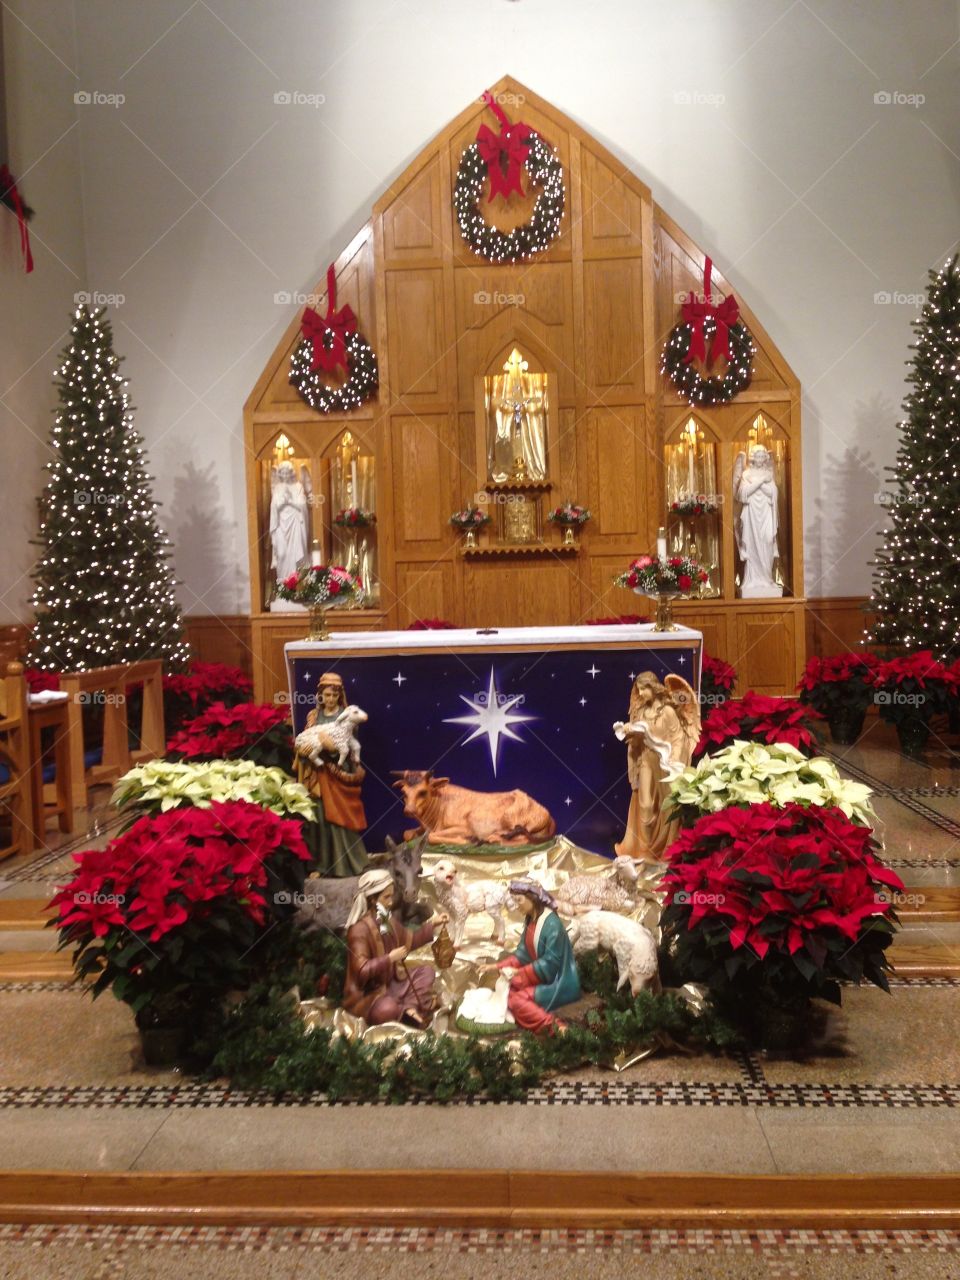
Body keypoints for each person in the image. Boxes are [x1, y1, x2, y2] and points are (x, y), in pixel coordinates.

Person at [342, 868, 448, 1028]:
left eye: (391, 896)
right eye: (386, 897)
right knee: (386, 1009)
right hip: (371, 995)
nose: (391, 902)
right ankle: (404, 1011)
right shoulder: (359, 930)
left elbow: (408, 940)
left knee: (426, 972)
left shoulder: (386, 919)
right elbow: (361, 970)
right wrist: (389, 958)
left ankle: (409, 1007)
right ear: (372, 900)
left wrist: (432, 924)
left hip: (392, 983)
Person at [614, 672, 700, 862]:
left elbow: (678, 738)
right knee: (644, 804)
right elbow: (637, 741)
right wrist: (630, 733)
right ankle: (645, 851)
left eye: (644, 688)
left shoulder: (668, 712)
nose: (641, 693)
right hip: (646, 759)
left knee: (666, 805)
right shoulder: (642, 712)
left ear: (653, 688)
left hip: (666, 763)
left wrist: (675, 761)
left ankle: (665, 850)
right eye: (639, 689)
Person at [479, 881, 580, 1035]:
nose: (516, 906)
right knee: (506, 989)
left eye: (519, 900)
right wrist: (496, 967)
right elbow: (523, 954)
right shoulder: (531, 919)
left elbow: (551, 963)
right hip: (539, 975)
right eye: (513, 901)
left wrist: (519, 973)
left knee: (516, 1000)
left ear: (532, 898)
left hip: (557, 981)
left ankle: (555, 1026)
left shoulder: (552, 925)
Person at [296, 672, 367, 875]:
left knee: (340, 819)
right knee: (320, 819)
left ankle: (348, 864)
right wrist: (304, 752)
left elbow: (352, 748)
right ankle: (321, 865)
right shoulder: (314, 716)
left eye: (334, 696)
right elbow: (305, 742)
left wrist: (333, 749)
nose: (330, 699)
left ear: (339, 696)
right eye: (326, 695)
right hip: (318, 776)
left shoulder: (346, 716)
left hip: (338, 774)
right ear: (320, 695)